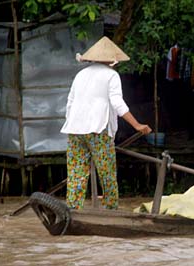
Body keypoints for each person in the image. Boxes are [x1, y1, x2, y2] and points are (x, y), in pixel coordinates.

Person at [60, 36, 152, 210]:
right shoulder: (111, 75)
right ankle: (110, 208)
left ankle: (73, 208)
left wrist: (74, 122)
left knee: (76, 173)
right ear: (111, 60)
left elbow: (70, 103)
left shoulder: (80, 75)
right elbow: (117, 103)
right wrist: (137, 125)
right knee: (107, 172)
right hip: (98, 129)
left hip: (75, 130)